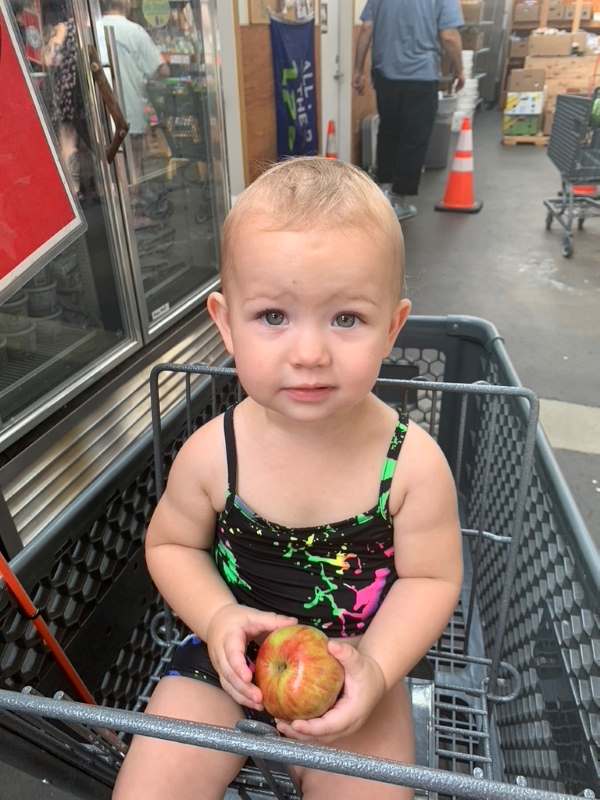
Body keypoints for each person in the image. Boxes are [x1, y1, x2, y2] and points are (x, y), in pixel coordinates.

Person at [113, 157, 463, 800]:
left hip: (357, 664)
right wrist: (219, 618)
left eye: (346, 319)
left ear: (392, 328)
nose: (308, 353)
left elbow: (432, 578)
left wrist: (379, 669)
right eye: (274, 316)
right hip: (227, 664)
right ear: (224, 324)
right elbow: (170, 545)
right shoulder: (213, 454)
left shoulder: (410, 464)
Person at [353, 0, 465, 221]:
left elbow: (367, 28)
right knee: (414, 138)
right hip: (421, 77)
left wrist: (358, 70)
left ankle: (383, 192)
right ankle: (398, 201)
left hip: (386, 74)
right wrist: (459, 70)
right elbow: (449, 36)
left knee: (388, 131)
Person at [101, 0, 168, 189]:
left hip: (101, 115)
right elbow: (160, 69)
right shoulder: (134, 31)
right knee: (133, 165)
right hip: (130, 112)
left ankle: (118, 200)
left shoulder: (92, 29)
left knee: (110, 166)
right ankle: (134, 210)